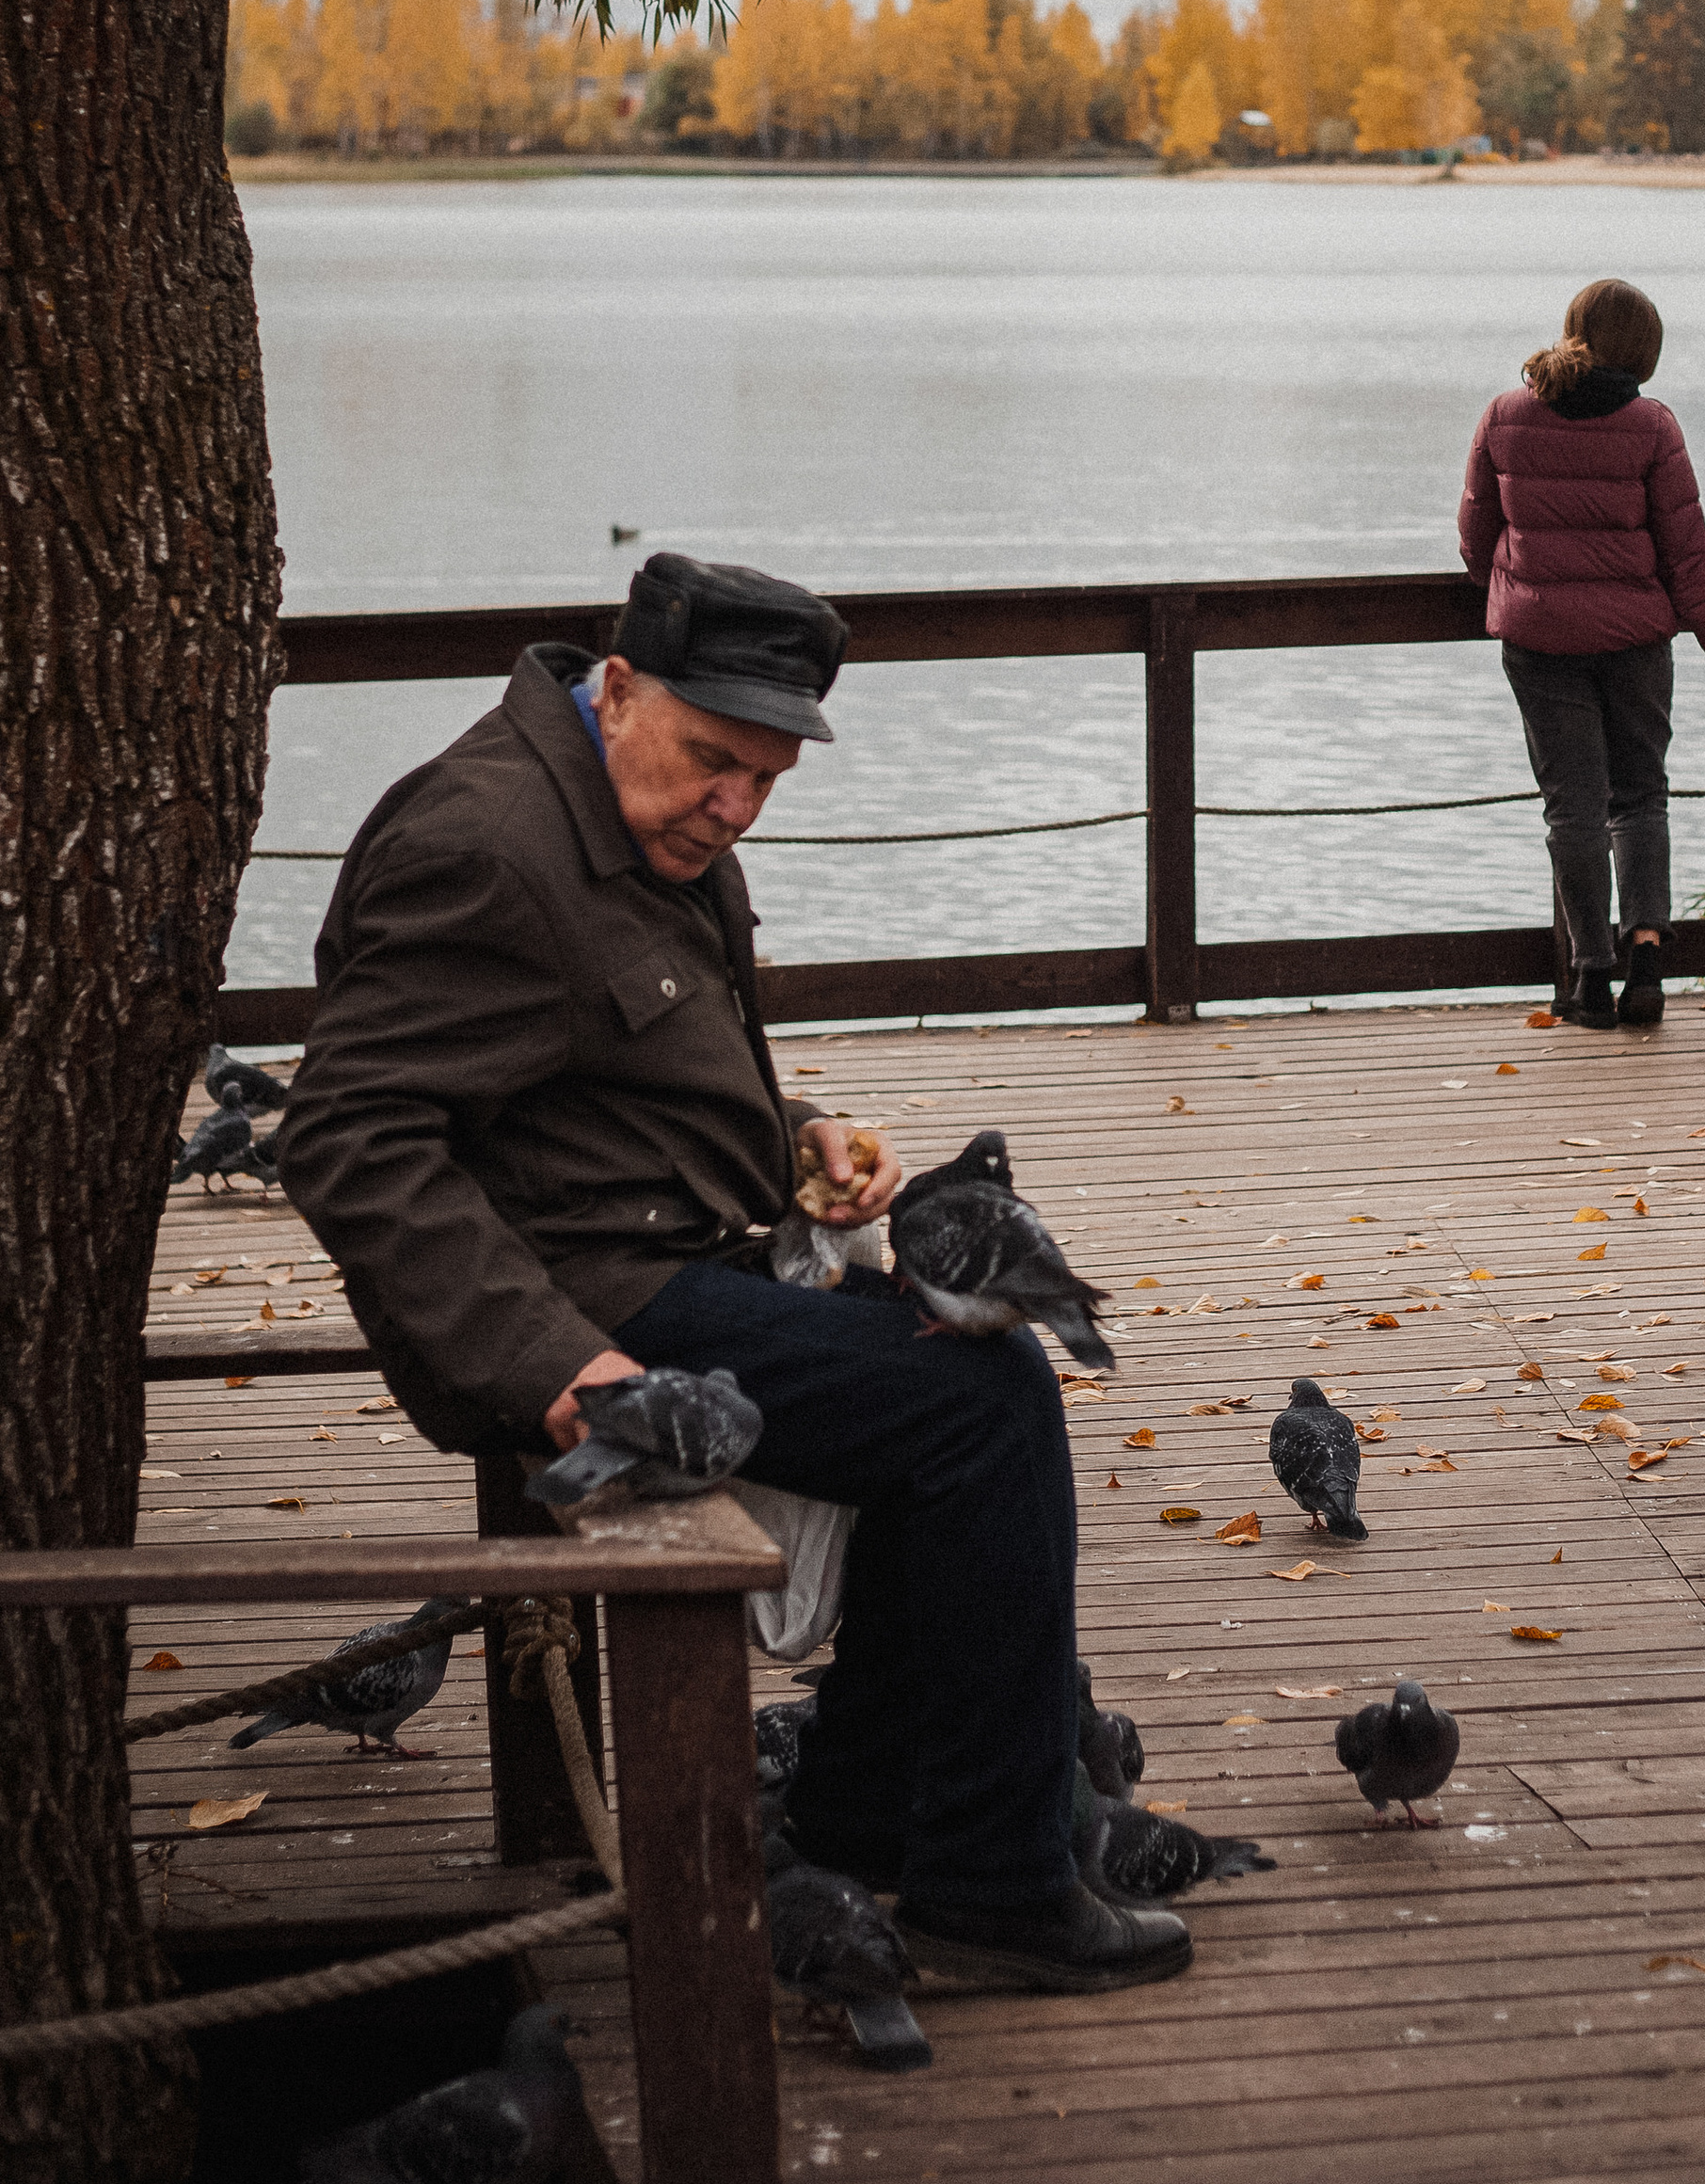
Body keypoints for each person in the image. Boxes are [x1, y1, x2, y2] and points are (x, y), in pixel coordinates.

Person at [275, 552, 1188, 1999]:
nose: (737, 805)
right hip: (583, 1307)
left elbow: (614, 1077)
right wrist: (560, 1375)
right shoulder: (491, 844)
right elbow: (349, 1140)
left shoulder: (634, 801)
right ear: (617, 687)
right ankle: (996, 1879)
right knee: (985, 1400)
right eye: (716, 763)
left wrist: (800, 1143)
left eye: (767, 778)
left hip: (659, 1249)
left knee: (946, 1397)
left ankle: (857, 1822)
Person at [1459, 275, 1705, 1029]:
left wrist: (1519, 585)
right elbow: (1687, 558)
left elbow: (1474, 539)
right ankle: (1648, 971)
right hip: (1635, 643)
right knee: (1640, 797)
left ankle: (1589, 978)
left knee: (1573, 810)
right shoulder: (1652, 426)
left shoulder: (1505, 415)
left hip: (1539, 643)